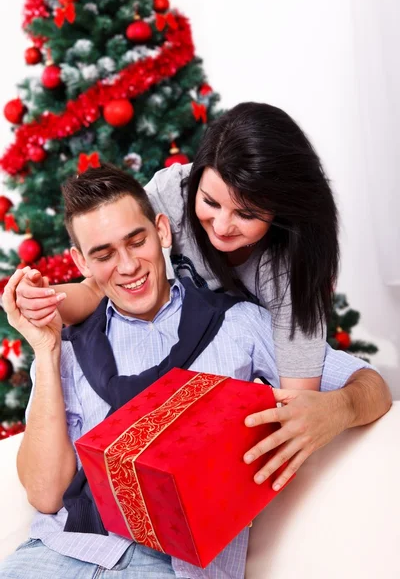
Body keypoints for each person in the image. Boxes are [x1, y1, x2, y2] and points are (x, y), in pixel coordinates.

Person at [1, 164, 391, 579]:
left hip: (173, 566)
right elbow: (45, 495)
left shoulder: (240, 324)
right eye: (104, 254)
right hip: (56, 552)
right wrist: (45, 351)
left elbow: (372, 386)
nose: (129, 266)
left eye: (137, 241)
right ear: (82, 261)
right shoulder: (70, 344)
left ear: (162, 232)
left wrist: (337, 409)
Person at [16, 101, 341, 483]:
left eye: (246, 214)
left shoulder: (289, 274)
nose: (221, 226)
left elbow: (299, 408)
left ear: (281, 212)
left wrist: (339, 408)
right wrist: (43, 301)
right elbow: (104, 281)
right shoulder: (172, 194)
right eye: (210, 202)